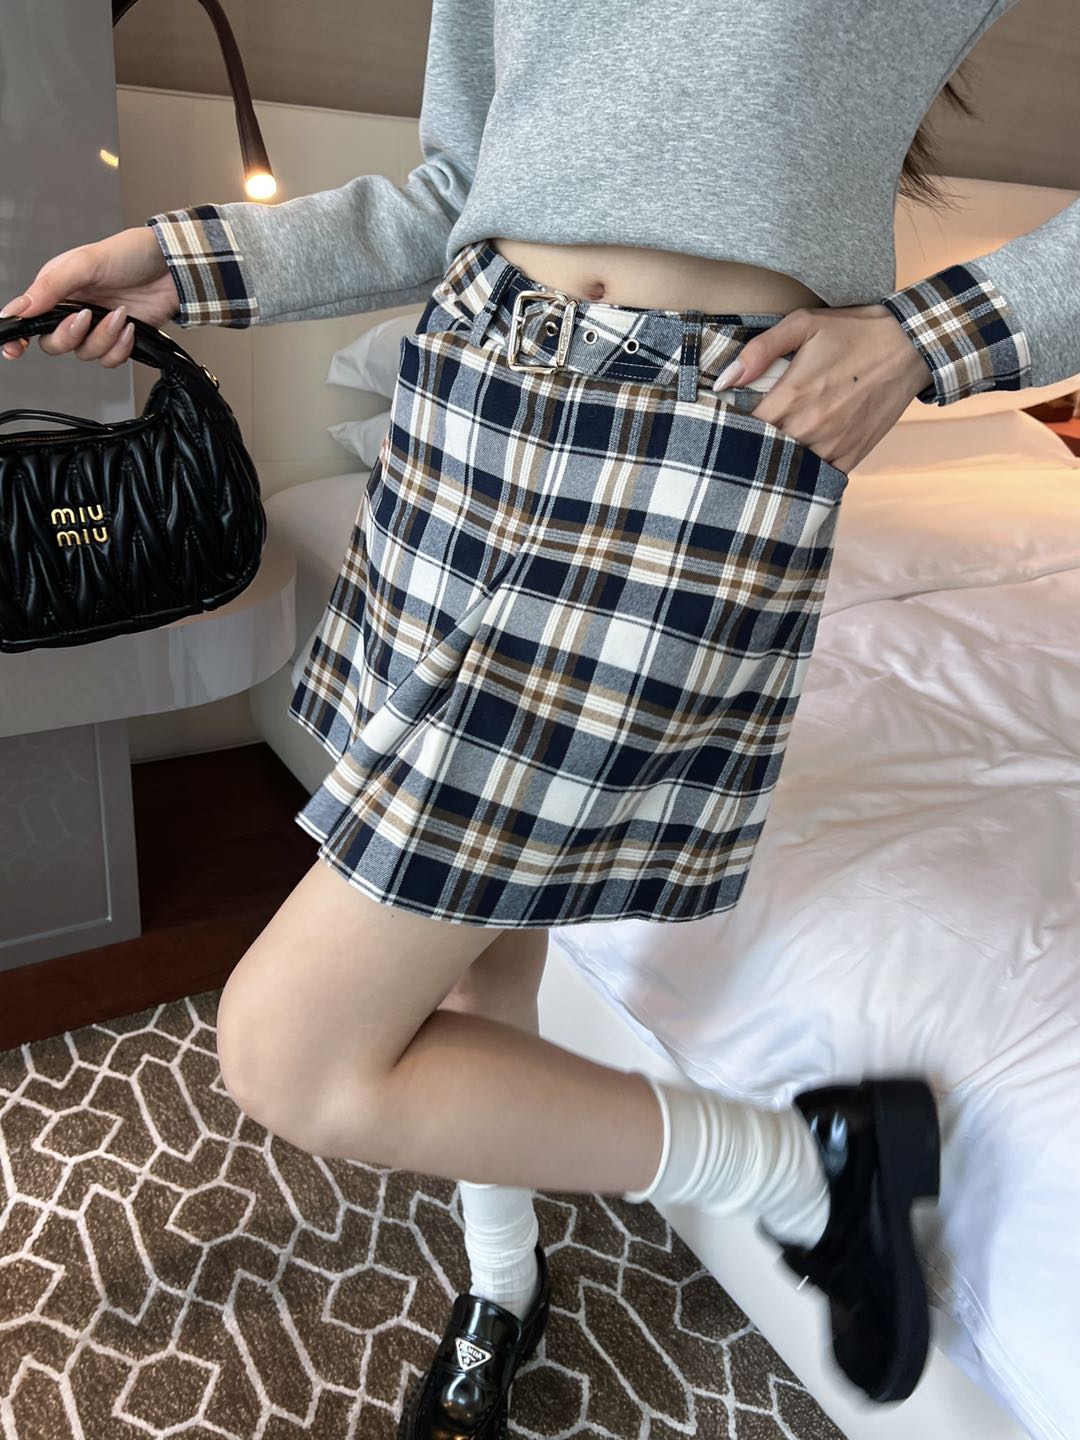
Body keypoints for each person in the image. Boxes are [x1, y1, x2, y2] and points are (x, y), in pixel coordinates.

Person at [4, 1, 1077, 1434]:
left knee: (289, 1051)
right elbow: (460, 189)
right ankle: (503, 1279)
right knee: (473, 956)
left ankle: (812, 1168)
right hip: (469, 420)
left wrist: (926, 341)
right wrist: (186, 263)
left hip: (697, 445)